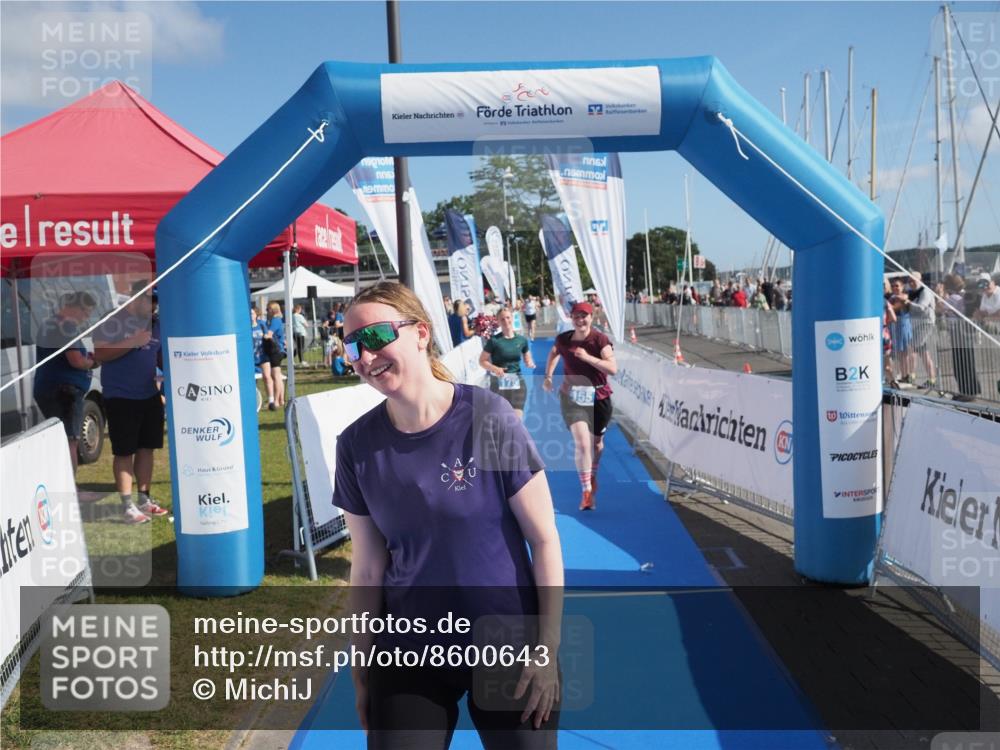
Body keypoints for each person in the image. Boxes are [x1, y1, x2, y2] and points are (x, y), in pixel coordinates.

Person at [335, 281, 562, 747]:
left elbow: (543, 540)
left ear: (420, 333)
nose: (364, 355)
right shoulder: (354, 445)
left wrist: (547, 648)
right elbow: (367, 568)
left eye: (375, 337)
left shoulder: (489, 417)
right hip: (409, 652)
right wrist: (361, 670)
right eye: (352, 345)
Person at [93, 282, 168, 525]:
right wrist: (133, 341)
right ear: (134, 299)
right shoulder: (113, 320)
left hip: (149, 395)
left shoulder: (157, 324)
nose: (154, 306)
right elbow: (100, 354)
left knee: (147, 448)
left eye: (156, 301)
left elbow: (158, 356)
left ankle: (144, 499)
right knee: (124, 451)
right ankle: (127, 506)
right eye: (149, 301)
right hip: (121, 396)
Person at [543, 301, 617, 511]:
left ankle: (592, 473)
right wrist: (548, 376)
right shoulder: (564, 339)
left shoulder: (599, 339)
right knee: (583, 444)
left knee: (596, 445)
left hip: (599, 397)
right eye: (576, 316)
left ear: (591, 317)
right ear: (571, 318)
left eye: (584, 316)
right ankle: (586, 492)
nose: (580, 320)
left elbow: (613, 368)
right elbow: (554, 352)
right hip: (572, 397)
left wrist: (589, 358)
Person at [33, 291, 99, 476]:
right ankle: (69, 488)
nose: (86, 317)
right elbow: (76, 360)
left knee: (60, 439)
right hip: (65, 392)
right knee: (70, 441)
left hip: (49, 387)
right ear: (74, 307)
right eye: (85, 312)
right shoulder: (66, 327)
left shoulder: (48, 324)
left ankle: (61, 482)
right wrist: (94, 362)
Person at [480, 307, 536, 420]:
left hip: (517, 384)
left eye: (508, 317)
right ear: (498, 321)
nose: (506, 321)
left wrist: (529, 362)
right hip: (498, 385)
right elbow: (482, 361)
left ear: (512, 318)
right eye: (502, 319)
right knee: (500, 421)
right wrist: (494, 368)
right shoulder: (494, 341)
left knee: (516, 421)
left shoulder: (521, 340)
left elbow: (527, 357)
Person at [942, 273, 980, 402]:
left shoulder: (953, 298)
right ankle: (968, 391)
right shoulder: (963, 296)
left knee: (961, 363)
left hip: (959, 332)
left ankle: (967, 391)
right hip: (964, 333)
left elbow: (941, 308)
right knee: (966, 362)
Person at [263, 301, 286, 409]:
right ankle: (281, 400)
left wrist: (263, 335)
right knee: (278, 376)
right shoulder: (278, 320)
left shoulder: (275, 321)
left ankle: (276, 401)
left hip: (275, 350)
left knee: (276, 376)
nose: (266, 312)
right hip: (279, 350)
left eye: (267, 309)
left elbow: (269, 334)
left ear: (272, 310)